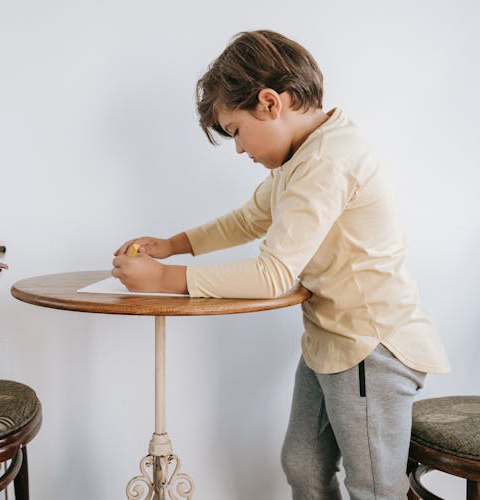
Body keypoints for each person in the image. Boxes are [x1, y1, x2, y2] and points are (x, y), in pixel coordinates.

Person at [111, 30, 450, 499]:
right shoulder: (302, 156)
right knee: (303, 464)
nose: (239, 149)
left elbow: (272, 276)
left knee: (373, 485)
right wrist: (173, 245)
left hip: (371, 346)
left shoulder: (328, 162)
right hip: (330, 341)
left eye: (236, 132)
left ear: (270, 103)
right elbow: (250, 218)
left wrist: (167, 280)